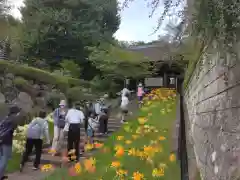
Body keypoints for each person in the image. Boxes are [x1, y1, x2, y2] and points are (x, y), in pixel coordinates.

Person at [0, 105, 21, 180]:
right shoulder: (14, 119)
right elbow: (14, 130)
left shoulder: (6, 118)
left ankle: (1, 175)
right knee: (4, 159)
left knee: (1, 158)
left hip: (1, 140)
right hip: (6, 141)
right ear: (15, 112)